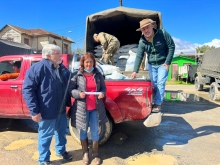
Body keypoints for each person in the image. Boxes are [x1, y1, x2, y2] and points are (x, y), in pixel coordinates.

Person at [22, 44, 72, 165]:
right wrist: (34, 111)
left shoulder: (60, 68)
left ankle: (61, 150)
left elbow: (71, 77)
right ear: (48, 55)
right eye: (57, 53)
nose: (60, 56)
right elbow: (28, 90)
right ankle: (44, 159)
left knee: (61, 132)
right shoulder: (38, 69)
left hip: (60, 108)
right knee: (45, 136)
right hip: (47, 110)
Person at [68, 52, 108, 165]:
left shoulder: (98, 74)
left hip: (96, 108)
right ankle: (85, 153)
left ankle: (95, 154)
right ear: (83, 63)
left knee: (95, 132)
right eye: (86, 62)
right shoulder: (77, 75)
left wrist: (102, 94)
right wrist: (78, 94)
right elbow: (71, 90)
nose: (89, 64)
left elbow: (104, 88)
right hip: (82, 109)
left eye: (91, 62)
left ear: (94, 63)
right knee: (83, 132)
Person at [131, 18, 175, 112]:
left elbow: (171, 46)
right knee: (153, 84)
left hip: (163, 63)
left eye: (147, 27)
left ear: (152, 26)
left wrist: (167, 62)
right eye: (143, 29)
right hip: (151, 65)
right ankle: (154, 100)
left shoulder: (162, 33)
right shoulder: (142, 41)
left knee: (160, 83)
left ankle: (158, 103)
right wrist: (135, 71)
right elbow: (139, 55)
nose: (146, 30)